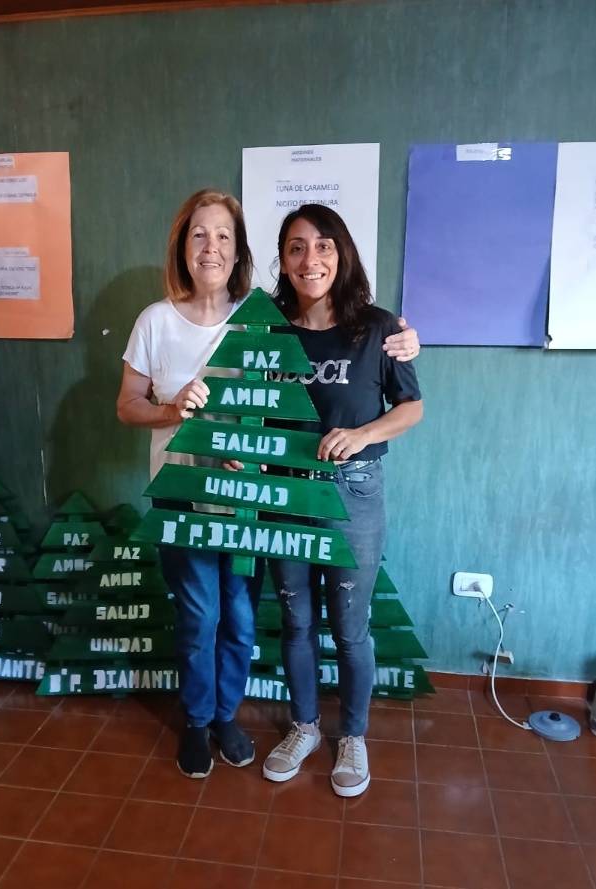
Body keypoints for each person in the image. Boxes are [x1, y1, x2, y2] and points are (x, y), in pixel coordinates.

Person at [117, 189, 420, 779]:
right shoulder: (221, 322)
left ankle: (304, 729)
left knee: (291, 622)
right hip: (225, 495)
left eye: (224, 236)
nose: (311, 260)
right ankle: (233, 723)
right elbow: (148, 404)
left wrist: (406, 347)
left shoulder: (321, 322)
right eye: (296, 249)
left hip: (302, 494)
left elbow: (401, 401)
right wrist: (190, 420)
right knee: (235, 617)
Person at [261, 204, 423, 798]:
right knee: (297, 621)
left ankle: (352, 735)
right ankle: (304, 727)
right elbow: (246, 402)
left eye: (323, 246)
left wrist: (361, 435)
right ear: (283, 261)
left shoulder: (378, 328)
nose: (311, 259)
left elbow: (411, 408)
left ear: (342, 254)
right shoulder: (268, 329)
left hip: (354, 489)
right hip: (285, 492)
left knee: (351, 628)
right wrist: (243, 449)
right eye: (296, 247)